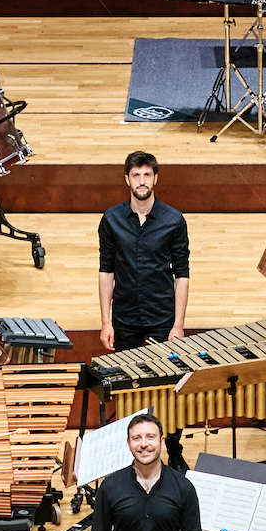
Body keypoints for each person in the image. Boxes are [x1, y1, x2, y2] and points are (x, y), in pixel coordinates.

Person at [97, 150, 192, 464]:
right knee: (127, 387)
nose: (141, 181)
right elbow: (106, 271)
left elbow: (182, 275)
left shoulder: (173, 220)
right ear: (127, 180)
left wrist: (178, 324)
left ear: (155, 178)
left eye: (147, 175)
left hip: (161, 318)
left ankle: (173, 448)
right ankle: (128, 453)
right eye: (136, 175)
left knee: (168, 387)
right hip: (124, 317)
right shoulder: (111, 219)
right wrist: (105, 321)